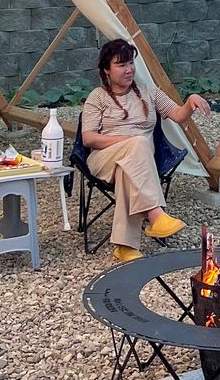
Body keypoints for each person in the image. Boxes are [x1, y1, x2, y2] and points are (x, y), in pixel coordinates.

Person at [81, 38, 211, 264]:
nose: (129, 69)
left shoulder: (149, 92)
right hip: (104, 158)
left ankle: (125, 246)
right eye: (121, 65)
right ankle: (155, 214)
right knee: (139, 143)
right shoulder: (98, 97)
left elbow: (178, 115)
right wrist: (127, 140)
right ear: (106, 70)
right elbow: (88, 138)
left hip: (137, 164)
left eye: (130, 63)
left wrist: (191, 101)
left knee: (127, 171)